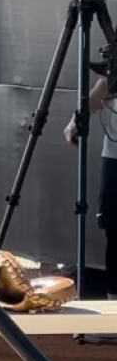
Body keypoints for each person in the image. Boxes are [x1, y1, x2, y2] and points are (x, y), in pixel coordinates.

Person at [64, 81, 117, 344]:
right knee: (115, 233)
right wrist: (78, 117)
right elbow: (108, 82)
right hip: (115, 155)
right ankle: (113, 315)